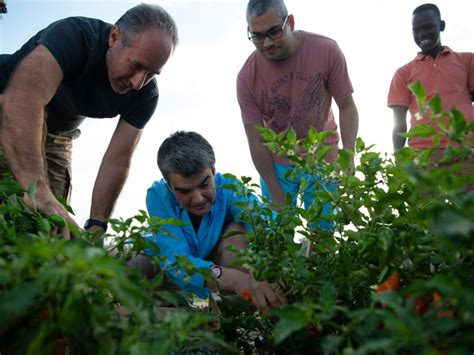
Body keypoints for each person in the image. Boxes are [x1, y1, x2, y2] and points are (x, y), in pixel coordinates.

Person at [0, 4, 178, 238]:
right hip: (10, 103)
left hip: (60, 134)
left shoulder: (145, 95)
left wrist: (97, 224)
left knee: (52, 225)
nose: (138, 82)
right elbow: (22, 100)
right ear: (114, 37)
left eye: (151, 74)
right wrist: (36, 188)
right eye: (136, 66)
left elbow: (118, 159)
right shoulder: (74, 36)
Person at [236, 0, 359, 231]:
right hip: (277, 163)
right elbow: (256, 140)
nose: (268, 43)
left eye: (274, 32)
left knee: (323, 235)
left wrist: (349, 154)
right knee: (279, 235)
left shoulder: (326, 50)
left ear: (290, 22)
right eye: (258, 36)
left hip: (323, 154)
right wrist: (274, 190)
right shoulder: (246, 77)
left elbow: (347, 106)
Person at [143, 131, 287, 312]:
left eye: (204, 185)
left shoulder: (230, 188)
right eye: (184, 191)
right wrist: (231, 278)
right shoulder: (158, 196)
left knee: (237, 231)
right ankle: (170, 314)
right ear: (169, 185)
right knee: (132, 263)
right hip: (175, 276)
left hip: (215, 267)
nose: (197, 199)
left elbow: (265, 227)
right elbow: (174, 260)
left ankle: (232, 316)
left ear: (213, 172)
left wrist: (262, 272)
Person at [387, 3, 474, 190]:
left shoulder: (467, 61)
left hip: (465, 150)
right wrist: (399, 160)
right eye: (416, 30)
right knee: (426, 215)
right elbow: (399, 124)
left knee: (469, 215)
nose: (422, 34)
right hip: (423, 154)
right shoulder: (403, 73)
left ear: (441, 25)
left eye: (428, 27)